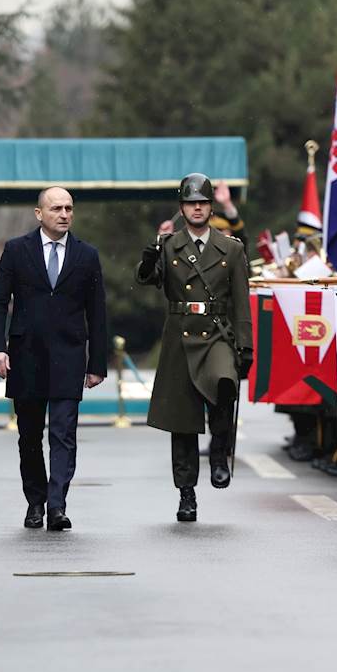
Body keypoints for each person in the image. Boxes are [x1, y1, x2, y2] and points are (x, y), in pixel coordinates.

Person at [0, 187, 108, 531]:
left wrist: (97, 363)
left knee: (63, 433)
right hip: (26, 356)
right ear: (39, 213)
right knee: (28, 436)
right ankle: (35, 501)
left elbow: (97, 312)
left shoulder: (87, 255)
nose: (64, 214)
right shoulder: (16, 250)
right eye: (56, 208)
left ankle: (57, 505)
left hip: (69, 355)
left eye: (69, 208)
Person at [136, 173, 253, 522]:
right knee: (182, 419)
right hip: (180, 333)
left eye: (202, 202)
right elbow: (146, 279)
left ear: (210, 206)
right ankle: (187, 494)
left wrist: (245, 347)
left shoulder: (231, 248)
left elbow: (242, 302)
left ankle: (219, 451)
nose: (197, 208)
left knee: (224, 382)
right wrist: (148, 256)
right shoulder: (169, 245)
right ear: (182, 208)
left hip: (217, 331)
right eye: (190, 203)